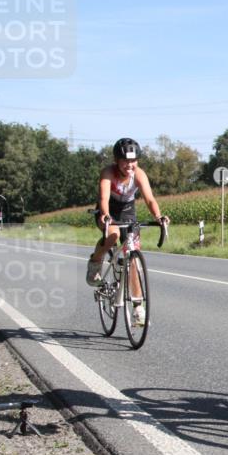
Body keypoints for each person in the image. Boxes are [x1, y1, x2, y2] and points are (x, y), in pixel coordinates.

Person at [85, 138, 169, 326]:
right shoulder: (108, 173)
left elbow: (150, 199)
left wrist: (158, 217)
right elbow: (104, 197)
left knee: (132, 258)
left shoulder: (139, 174)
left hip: (127, 210)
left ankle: (138, 308)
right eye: (125, 161)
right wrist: (105, 215)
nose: (130, 165)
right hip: (108, 209)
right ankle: (95, 262)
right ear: (117, 161)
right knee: (113, 235)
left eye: (133, 161)